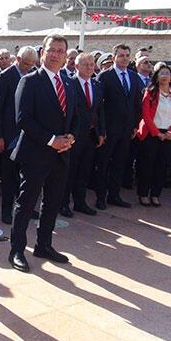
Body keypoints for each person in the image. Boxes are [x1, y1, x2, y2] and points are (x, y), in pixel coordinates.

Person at [9, 34, 78, 273]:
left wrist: (70, 137)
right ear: (43, 53)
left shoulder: (69, 82)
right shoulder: (30, 81)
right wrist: (52, 141)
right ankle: (17, 250)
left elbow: (75, 116)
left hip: (62, 154)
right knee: (26, 203)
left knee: (52, 203)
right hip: (35, 154)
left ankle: (44, 245)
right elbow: (23, 119)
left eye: (61, 50)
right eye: (52, 50)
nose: (56, 54)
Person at [95, 44, 143, 210]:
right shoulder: (104, 76)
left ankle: (114, 195)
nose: (124, 58)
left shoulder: (134, 77)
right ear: (114, 57)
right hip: (109, 129)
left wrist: (135, 125)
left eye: (127, 55)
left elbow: (137, 103)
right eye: (121, 55)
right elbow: (99, 106)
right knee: (103, 164)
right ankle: (100, 197)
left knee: (119, 163)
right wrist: (102, 129)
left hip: (126, 129)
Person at [0, 46, 37, 224]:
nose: (29, 67)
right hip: (9, 135)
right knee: (9, 176)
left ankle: (25, 208)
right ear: (18, 59)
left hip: (28, 134)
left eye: (32, 64)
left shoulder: (34, 76)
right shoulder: (6, 76)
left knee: (26, 176)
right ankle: (6, 211)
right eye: (26, 63)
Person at [60, 52, 105, 218]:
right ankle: (63, 203)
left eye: (92, 64)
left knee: (84, 170)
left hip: (91, 135)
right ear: (77, 66)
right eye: (86, 64)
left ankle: (80, 202)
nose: (89, 67)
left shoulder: (96, 84)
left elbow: (100, 111)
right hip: (73, 135)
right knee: (69, 171)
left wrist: (101, 132)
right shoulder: (68, 83)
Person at [136, 64, 171, 207]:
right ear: (156, 76)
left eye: (167, 73)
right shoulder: (150, 92)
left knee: (162, 167)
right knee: (147, 165)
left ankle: (156, 194)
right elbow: (146, 115)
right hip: (151, 134)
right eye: (161, 73)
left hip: (169, 135)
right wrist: (157, 133)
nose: (164, 75)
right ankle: (143, 194)